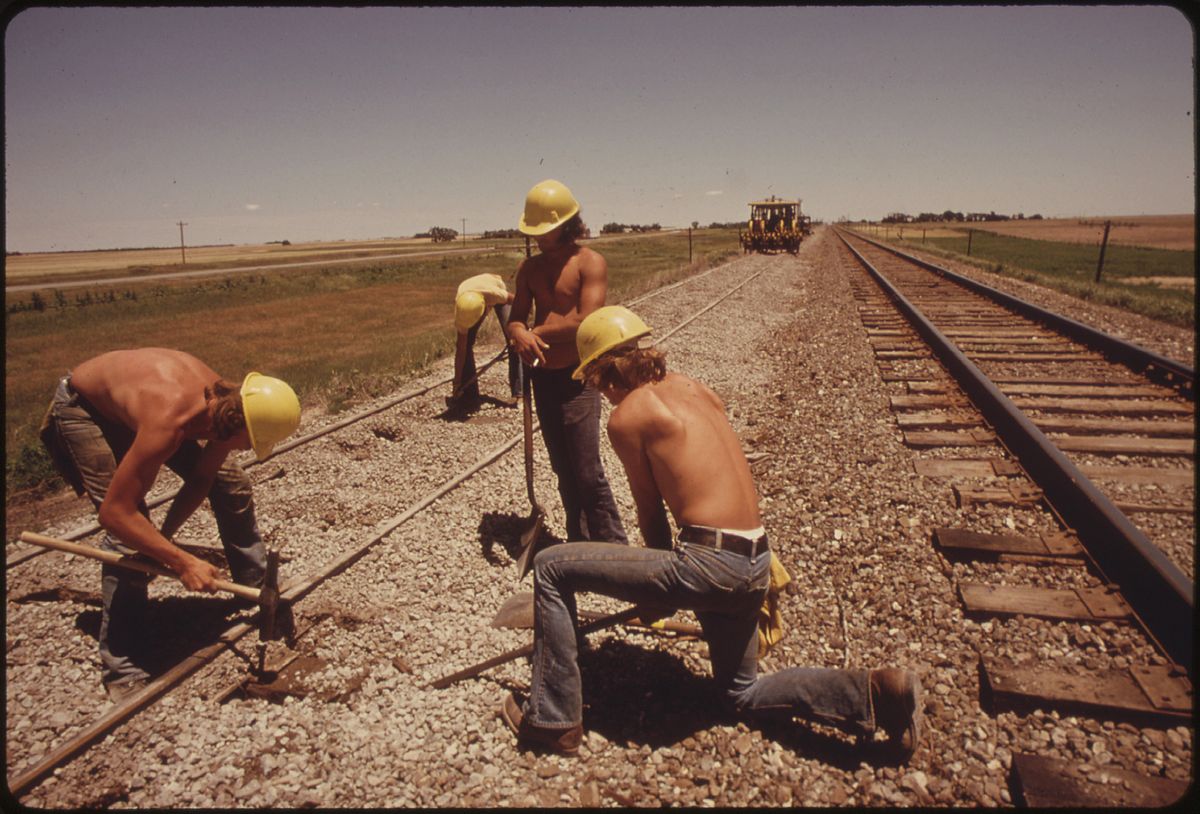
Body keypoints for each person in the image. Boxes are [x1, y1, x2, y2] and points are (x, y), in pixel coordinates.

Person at [499, 306, 923, 762]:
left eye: (596, 383)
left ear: (604, 375)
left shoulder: (627, 418)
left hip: (710, 564)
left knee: (550, 566)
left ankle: (553, 719)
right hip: (757, 560)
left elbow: (651, 514)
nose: (601, 395)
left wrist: (660, 597)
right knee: (740, 692)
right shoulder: (693, 387)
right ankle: (875, 694)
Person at [38, 348, 302, 702]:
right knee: (129, 533)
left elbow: (202, 479)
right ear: (238, 425)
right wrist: (181, 562)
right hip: (83, 408)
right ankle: (122, 667)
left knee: (230, 483)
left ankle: (255, 589)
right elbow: (115, 514)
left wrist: (163, 542)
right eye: (250, 443)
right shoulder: (171, 419)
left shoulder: (225, 405)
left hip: (134, 408)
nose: (245, 449)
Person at [507, 179, 627, 544]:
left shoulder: (589, 263)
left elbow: (585, 323)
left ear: (566, 224)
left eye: (546, 230)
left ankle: (614, 548)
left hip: (579, 378)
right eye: (535, 231)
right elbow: (515, 318)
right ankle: (580, 543)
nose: (539, 238)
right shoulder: (529, 269)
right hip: (543, 379)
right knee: (562, 467)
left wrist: (533, 332)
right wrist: (517, 332)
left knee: (587, 471)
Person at [448, 272, 521, 413]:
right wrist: (457, 381)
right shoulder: (462, 308)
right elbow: (461, 349)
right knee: (466, 344)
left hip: (495, 285)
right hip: (471, 295)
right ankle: (469, 394)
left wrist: (521, 327)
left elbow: (518, 301)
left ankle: (519, 393)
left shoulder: (495, 294)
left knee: (513, 341)